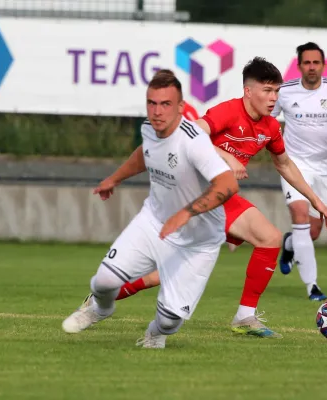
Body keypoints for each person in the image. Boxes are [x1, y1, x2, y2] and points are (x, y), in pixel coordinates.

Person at [76, 57, 327, 340]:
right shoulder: (228, 111)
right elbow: (193, 132)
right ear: (248, 91)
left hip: (221, 198)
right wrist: (228, 157)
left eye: (276, 91)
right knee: (163, 274)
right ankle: (98, 301)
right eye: (267, 91)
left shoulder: (271, 128)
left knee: (270, 238)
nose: (274, 98)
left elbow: (285, 165)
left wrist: (316, 202)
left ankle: (245, 316)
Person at [61, 69, 239, 349]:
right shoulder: (149, 129)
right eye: (152, 103)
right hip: (154, 222)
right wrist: (115, 178)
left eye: (166, 104)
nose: (157, 111)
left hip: (198, 240)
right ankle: (100, 309)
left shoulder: (193, 141)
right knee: (104, 281)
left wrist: (185, 213)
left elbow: (228, 184)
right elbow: (144, 154)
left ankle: (155, 332)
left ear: (181, 107)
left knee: (169, 320)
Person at [271, 42, 327, 301]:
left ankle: (289, 245)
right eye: (306, 63)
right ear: (299, 65)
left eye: (316, 62)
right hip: (293, 166)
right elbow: (268, 121)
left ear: (323, 65)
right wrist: (273, 146)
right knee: (300, 216)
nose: (311, 67)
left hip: (324, 167)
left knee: (312, 232)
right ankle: (312, 287)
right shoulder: (286, 92)